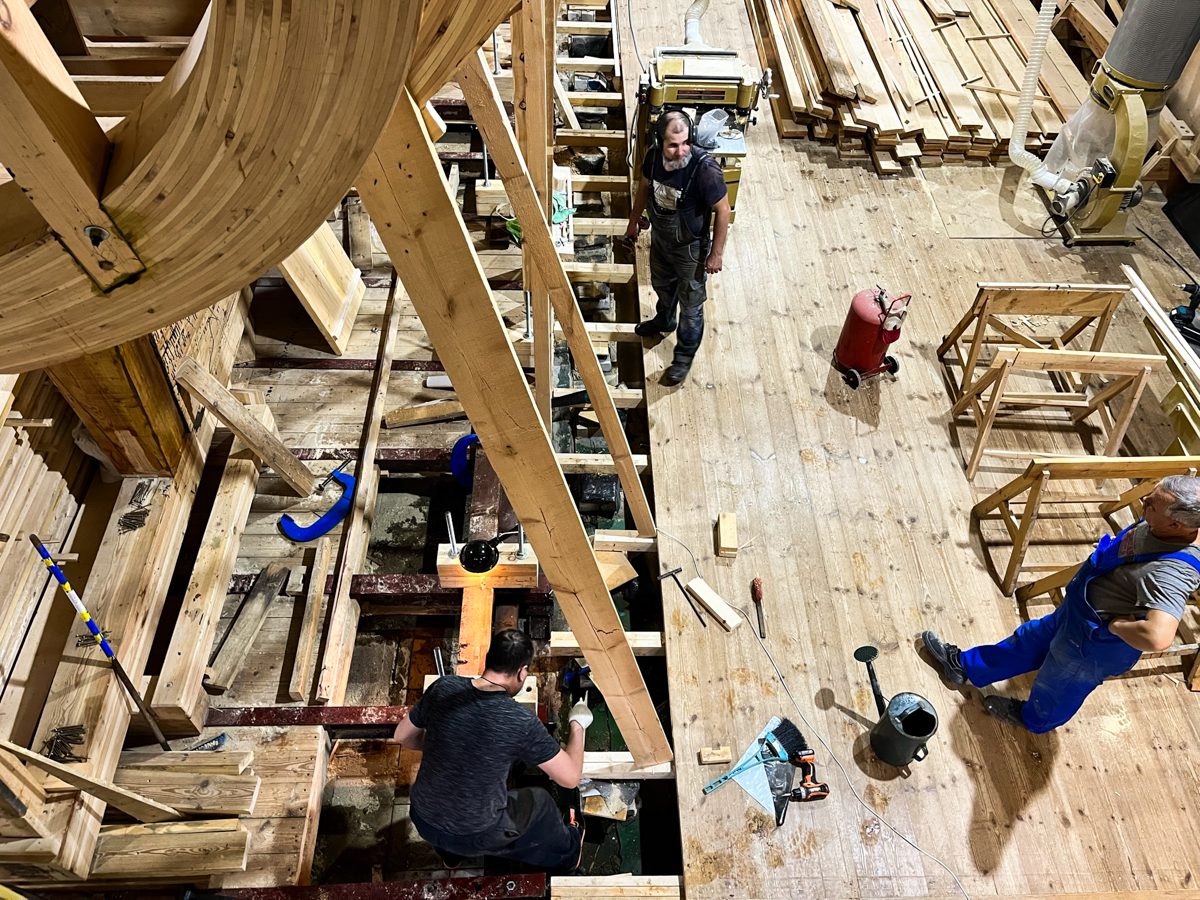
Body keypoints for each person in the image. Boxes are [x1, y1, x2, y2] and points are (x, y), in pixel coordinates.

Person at [922, 476, 1200, 733]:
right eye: (1150, 494)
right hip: (1079, 614)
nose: (1144, 501)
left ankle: (1033, 719)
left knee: (1058, 684)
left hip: (1095, 643)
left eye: (1152, 505)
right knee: (1028, 640)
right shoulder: (1169, 523)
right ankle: (965, 667)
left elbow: (1158, 636)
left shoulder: (1172, 572)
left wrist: (1117, 626)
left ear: (1176, 526)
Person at [394, 629, 592, 869]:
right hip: (475, 834)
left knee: (448, 830)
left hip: (422, 819)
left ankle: (451, 858)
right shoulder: (519, 721)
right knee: (541, 803)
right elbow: (570, 778)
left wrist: (443, 744)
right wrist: (577, 725)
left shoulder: (443, 688)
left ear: (489, 659)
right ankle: (570, 853)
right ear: (522, 672)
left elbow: (402, 736)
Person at [625, 109, 732, 386]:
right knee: (662, 285)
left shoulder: (705, 170)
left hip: (690, 249)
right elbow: (644, 189)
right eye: (673, 145)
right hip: (661, 240)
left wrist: (716, 254)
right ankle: (664, 320)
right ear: (659, 141)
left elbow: (723, 210)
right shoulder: (653, 158)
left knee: (691, 305)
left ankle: (683, 359)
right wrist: (633, 222)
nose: (681, 151)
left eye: (686, 143)